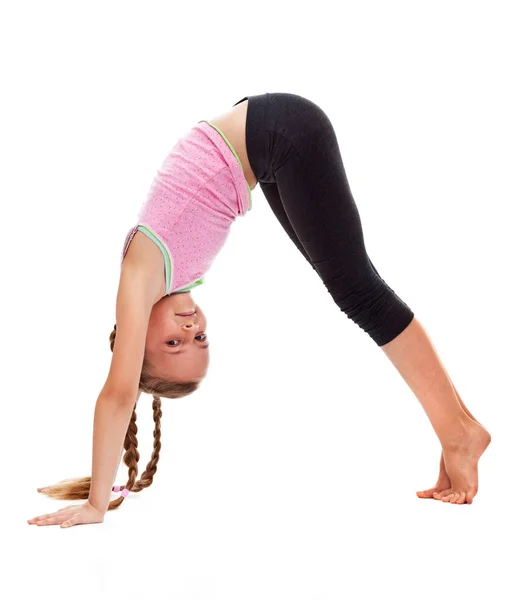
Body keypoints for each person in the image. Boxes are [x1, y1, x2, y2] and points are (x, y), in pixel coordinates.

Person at [28, 92, 490, 528]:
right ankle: (462, 426)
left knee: (358, 293)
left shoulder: (140, 275)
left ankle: (457, 434)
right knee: (351, 288)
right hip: (272, 143)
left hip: (279, 132)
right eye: (200, 339)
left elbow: (117, 394)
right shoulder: (173, 281)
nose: (190, 327)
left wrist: (96, 504)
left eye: (173, 342)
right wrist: (112, 484)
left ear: (132, 344)